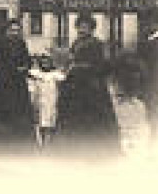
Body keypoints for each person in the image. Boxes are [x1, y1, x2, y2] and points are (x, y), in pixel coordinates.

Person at [55, 12, 122, 156]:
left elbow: (101, 66)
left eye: (85, 27)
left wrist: (78, 67)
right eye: (80, 27)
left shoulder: (97, 44)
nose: (82, 30)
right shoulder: (76, 43)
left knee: (93, 119)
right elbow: (71, 61)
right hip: (75, 86)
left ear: (92, 28)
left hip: (91, 87)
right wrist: (67, 64)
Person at [0, 19, 37, 150]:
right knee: (2, 111)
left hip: (18, 84)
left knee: (19, 112)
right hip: (3, 83)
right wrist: (15, 69)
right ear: (6, 31)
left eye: (17, 30)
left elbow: (28, 60)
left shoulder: (21, 43)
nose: (14, 33)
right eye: (12, 30)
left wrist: (25, 68)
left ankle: (19, 141)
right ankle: (1, 142)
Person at [28, 52, 65, 148]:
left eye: (47, 62)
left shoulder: (56, 74)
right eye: (43, 62)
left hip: (52, 101)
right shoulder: (35, 74)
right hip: (40, 100)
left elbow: (62, 84)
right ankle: (41, 142)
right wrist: (33, 99)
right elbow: (32, 88)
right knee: (40, 121)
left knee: (51, 122)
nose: (45, 64)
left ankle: (50, 142)